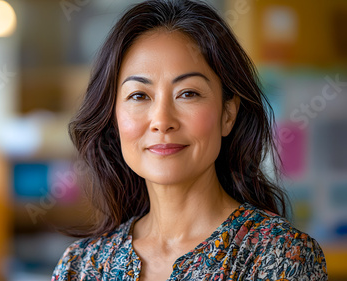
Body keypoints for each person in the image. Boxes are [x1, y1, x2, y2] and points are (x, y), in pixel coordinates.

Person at [52, 0, 328, 280]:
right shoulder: (80, 265)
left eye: (188, 93)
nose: (162, 121)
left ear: (227, 114)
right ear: (113, 118)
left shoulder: (281, 256)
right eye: (139, 96)